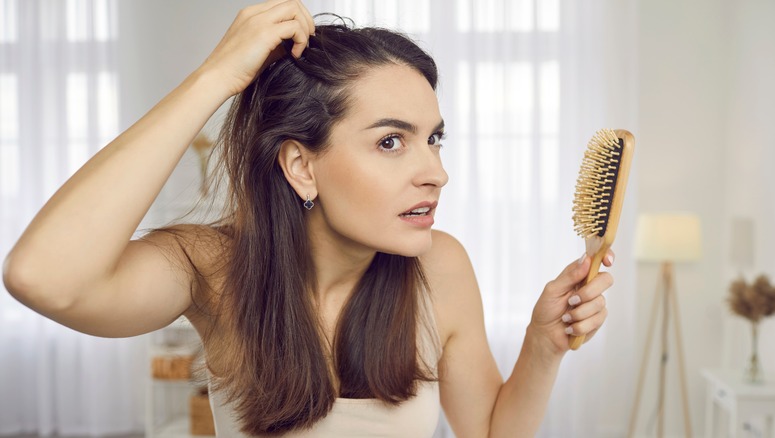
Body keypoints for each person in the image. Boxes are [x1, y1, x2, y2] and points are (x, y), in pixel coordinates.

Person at [2, 1, 613, 436]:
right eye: (391, 142)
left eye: (435, 139)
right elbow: (42, 277)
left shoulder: (439, 266)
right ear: (300, 165)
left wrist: (541, 344)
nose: (436, 173)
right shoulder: (214, 268)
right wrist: (215, 77)